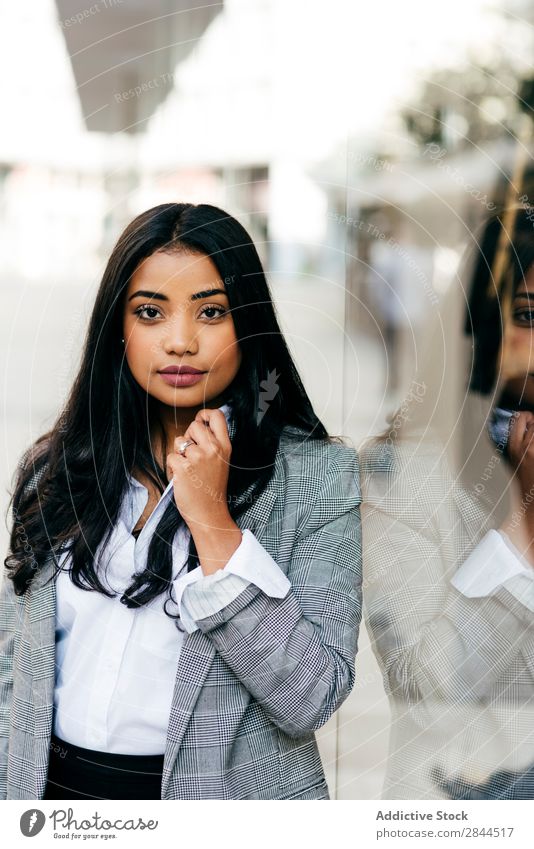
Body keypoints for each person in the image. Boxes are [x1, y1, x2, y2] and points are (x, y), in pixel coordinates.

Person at [0, 202, 362, 801]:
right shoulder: (64, 466)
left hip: (216, 804)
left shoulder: (317, 476)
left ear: (247, 325)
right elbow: (15, 669)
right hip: (52, 798)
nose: (181, 341)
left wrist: (214, 524)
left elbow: (310, 696)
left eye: (211, 312)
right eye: (150, 312)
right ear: (119, 327)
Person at [360, 206, 534, 800]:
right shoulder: (402, 475)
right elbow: (427, 695)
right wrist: (520, 531)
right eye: (528, 315)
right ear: (481, 324)